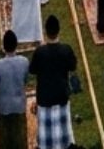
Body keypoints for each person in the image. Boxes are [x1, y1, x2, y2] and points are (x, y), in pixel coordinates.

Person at [33, 16, 79, 149]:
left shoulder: (39, 52)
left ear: (45, 31)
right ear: (59, 31)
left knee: (44, 141)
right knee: (65, 139)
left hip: (44, 97)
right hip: (61, 96)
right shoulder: (66, 50)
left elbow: (33, 70)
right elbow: (73, 66)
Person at [0, 32, 30, 149]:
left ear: (4, 46)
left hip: (4, 106)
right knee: (20, 137)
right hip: (19, 105)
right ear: (16, 44)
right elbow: (25, 79)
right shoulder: (24, 62)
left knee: (5, 138)